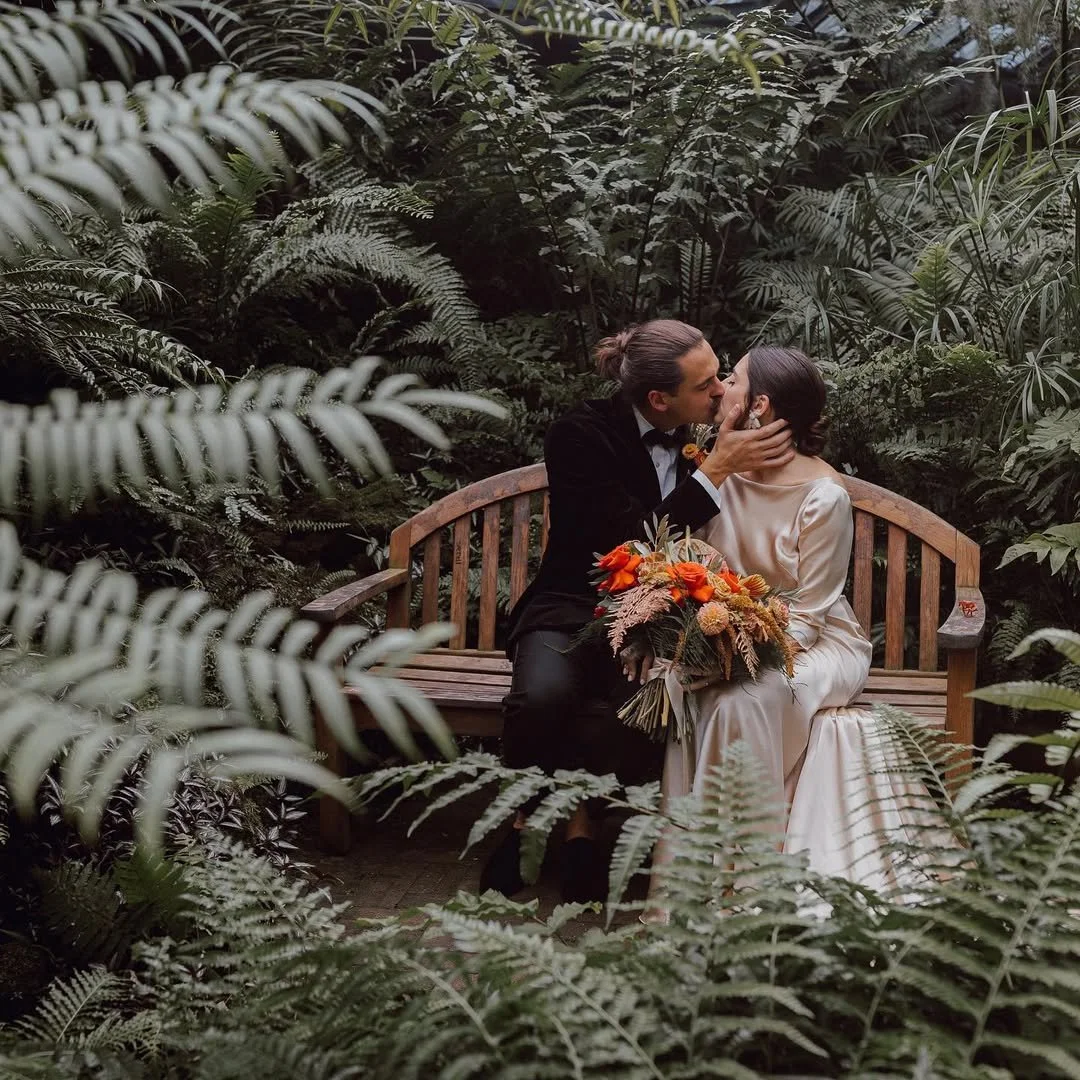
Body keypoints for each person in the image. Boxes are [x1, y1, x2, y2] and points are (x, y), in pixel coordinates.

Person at [480, 320, 795, 903]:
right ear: (659, 399)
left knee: (633, 713)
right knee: (542, 698)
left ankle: (583, 824)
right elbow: (624, 538)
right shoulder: (578, 434)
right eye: (705, 385)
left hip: (657, 612)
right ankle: (526, 819)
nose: (720, 391)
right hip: (569, 604)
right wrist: (716, 469)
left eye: (720, 375)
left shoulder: (707, 433)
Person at [643, 345, 925, 912]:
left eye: (733, 380)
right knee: (678, 683)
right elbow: (684, 561)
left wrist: (734, 656)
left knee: (740, 701)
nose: (721, 389)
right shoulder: (717, 475)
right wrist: (691, 643)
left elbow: (810, 614)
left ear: (760, 405)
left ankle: (744, 888)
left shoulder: (824, 495)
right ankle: (687, 888)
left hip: (811, 643)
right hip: (727, 631)